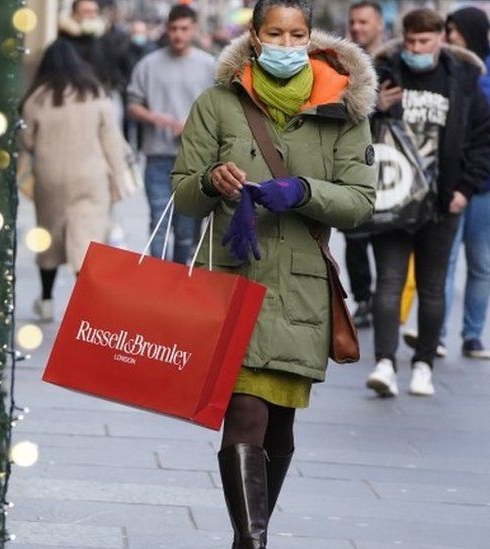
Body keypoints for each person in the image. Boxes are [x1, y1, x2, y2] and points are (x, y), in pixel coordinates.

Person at [171, 0, 376, 545]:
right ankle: (252, 540)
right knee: (243, 409)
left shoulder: (344, 111)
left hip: (301, 290)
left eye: (297, 34)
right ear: (255, 37)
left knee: (279, 425)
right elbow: (184, 195)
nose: (286, 45)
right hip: (234, 281)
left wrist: (305, 191)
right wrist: (213, 179)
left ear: (310, 38)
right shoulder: (217, 103)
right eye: (274, 33)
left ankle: (247, 534)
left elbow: (360, 202)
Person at [365, 9, 490, 397]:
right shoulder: (384, 71)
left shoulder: (462, 78)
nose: (416, 49)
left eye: (424, 42)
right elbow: (352, 129)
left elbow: (484, 135)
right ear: (402, 38)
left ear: (440, 38)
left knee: (433, 287)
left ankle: (423, 364)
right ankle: (385, 363)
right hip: (393, 197)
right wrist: (376, 107)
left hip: (441, 202)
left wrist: (464, 190)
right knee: (387, 283)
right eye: (410, 42)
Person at [20, 40, 129, 322]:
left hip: (51, 179)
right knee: (88, 240)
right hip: (90, 178)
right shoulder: (95, 94)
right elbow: (111, 141)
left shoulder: (37, 98)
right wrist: (120, 179)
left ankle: (45, 300)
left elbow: (27, 140)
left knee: (50, 238)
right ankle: (87, 308)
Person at [435, 7, 490, 360]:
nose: (450, 37)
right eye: (447, 30)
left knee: (481, 261)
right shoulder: (446, 63)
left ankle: (473, 335)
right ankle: (434, 334)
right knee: (444, 259)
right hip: (451, 179)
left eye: (456, 30)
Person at [127, 4, 215, 263]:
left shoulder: (208, 65)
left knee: (186, 229)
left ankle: (177, 281)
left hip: (193, 160)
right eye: (174, 28)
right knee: (159, 222)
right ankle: (156, 279)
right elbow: (132, 104)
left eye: (184, 29)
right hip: (157, 156)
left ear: (194, 30)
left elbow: (219, 109)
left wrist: (193, 121)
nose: (178, 34)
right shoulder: (148, 64)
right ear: (167, 29)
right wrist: (154, 116)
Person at [344, 0, 386, 327]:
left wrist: (382, 106)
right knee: (355, 239)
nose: (358, 28)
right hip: (351, 164)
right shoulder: (342, 63)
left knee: (387, 238)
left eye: (364, 22)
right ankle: (362, 299)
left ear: (379, 25)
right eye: (353, 22)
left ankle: (385, 299)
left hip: (389, 166)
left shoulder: (394, 63)